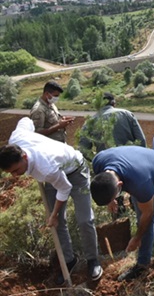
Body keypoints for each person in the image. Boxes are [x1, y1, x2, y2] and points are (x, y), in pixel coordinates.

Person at [0, 117, 102, 285]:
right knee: (57, 223)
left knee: (84, 219)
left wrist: (54, 213)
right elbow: (26, 120)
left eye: (17, 170)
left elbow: (64, 188)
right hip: (56, 175)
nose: (15, 176)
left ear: (24, 156)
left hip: (76, 172)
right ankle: (69, 261)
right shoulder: (16, 139)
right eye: (11, 172)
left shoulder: (44, 168)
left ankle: (93, 259)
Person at [90, 146, 154, 289]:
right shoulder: (99, 161)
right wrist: (110, 199)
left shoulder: (139, 183)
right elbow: (103, 182)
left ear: (120, 185)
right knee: (143, 221)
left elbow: (149, 213)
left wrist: (137, 238)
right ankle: (142, 264)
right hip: (142, 170)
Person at [79, 92, 146, 154]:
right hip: (129, 159)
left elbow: (83, 149)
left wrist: (97, 159)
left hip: (106, 163)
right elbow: (141, 141)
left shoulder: (90, 122)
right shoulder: (127, 114)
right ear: (114, 103)